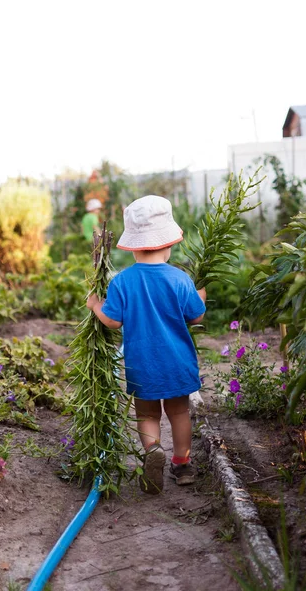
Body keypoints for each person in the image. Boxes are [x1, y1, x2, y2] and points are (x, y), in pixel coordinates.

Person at [86, 195, 206, 495]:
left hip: (142, 364)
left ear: (134, 245)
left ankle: (152, 451)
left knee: (147, 415)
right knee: (179, 412)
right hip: (178, 363)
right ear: (169, 243)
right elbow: (196, 316)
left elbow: (113, 321)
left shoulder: (123, 282)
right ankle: (182, 463)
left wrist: (95, 305)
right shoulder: (180, 279)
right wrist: (200, 295)